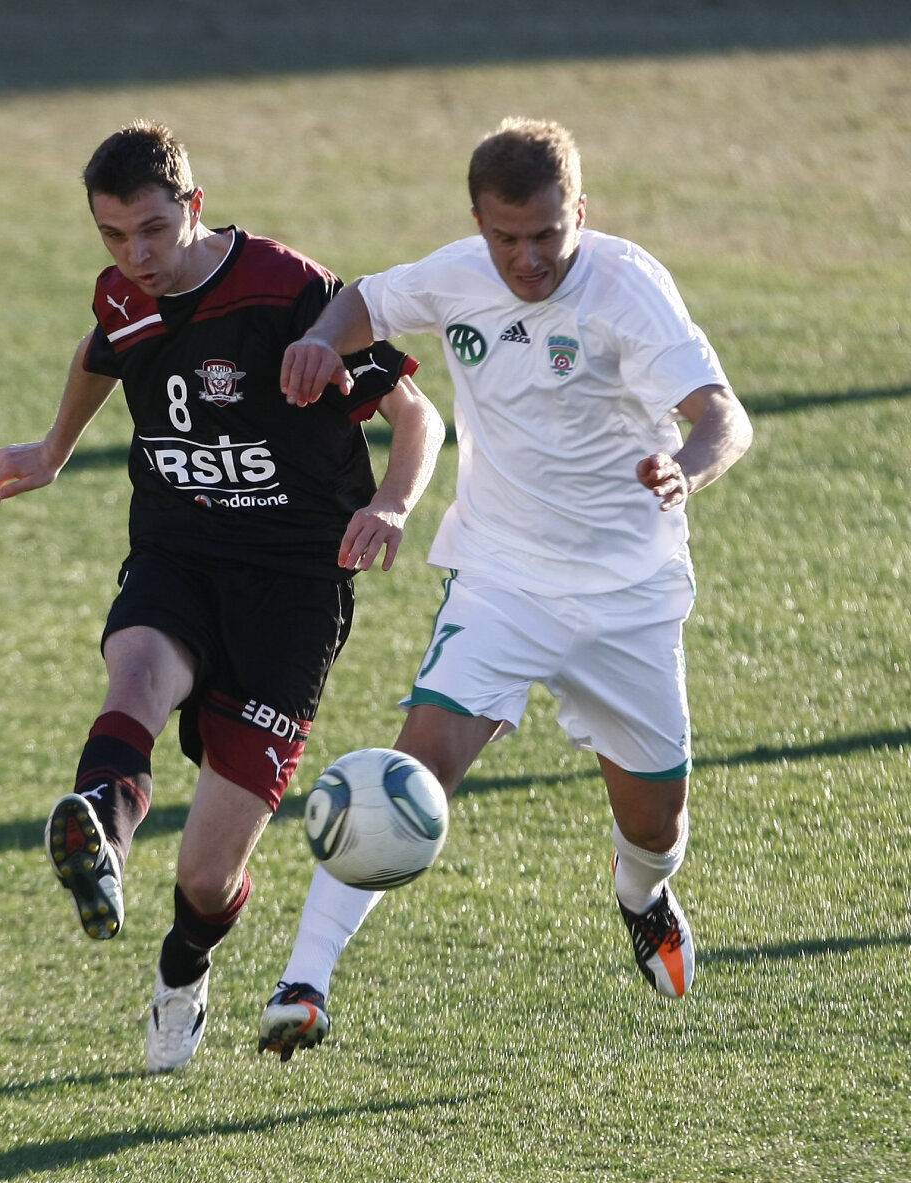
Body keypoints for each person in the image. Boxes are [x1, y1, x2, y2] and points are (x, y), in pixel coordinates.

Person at [257, 116, 753, 1060]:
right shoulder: (456, 275)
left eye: (547, 234)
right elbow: (364, 300)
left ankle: (641, 894)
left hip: (628, 592)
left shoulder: (628, 287)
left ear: (580, 212)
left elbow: (723, 415)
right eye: (506, 237)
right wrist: (322, 338)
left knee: (656, 822)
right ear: (479, 222)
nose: (527, 259)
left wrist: (686, 470)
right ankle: (303, 983)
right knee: (413, 773)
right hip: (502, 578)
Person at [0, 121, 444, 1073]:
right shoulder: (125, 295)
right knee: (137, 672)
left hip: (295, 588)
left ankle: (182, 970)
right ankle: (102, 831)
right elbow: (101, 349)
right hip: (179, 545)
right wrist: (51, 451)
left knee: (207, 872)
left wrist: (391, 504)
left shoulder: (285, 290)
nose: (135, 256)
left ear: (194, 204)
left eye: (152, 229)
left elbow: (415, 413)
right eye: (113, 236)